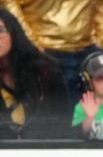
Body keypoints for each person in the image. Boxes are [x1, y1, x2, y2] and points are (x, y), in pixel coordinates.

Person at [0, 0, 103, 104]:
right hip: (45, 55)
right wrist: (32, 44)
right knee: (58, 117)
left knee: (95, 118)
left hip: (89, 54)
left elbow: (100, 2)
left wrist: (102, 40)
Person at [0, 8, 69, 139]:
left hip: (42, 148)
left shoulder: (45, 71)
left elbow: (63, 118)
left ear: (13, 33)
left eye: (0, 31)